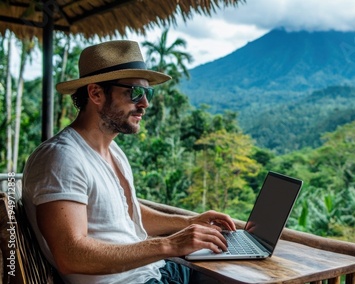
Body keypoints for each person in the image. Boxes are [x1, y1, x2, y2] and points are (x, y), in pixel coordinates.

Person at [22, 40, 236, 284]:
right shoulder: (61, 158)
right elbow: (71, 255)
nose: (144, 103)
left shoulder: (112, 150)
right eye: (134, 93)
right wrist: (168, 244)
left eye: (148, 93)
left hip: (156, 272)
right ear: (96, 93)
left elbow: (125, 213)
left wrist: (188, 222)